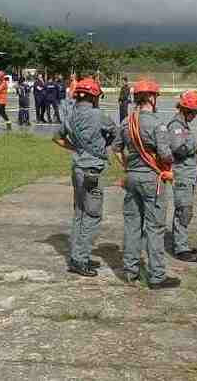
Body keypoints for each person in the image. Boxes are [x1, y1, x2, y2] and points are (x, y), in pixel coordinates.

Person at [116, 79, 180, 288]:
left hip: (132, 178)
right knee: (154, 227)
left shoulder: (127, 122)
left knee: (132, 224)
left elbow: (116, 148)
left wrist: (128, 166)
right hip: (152, 180)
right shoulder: (157, 123)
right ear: (152, 98)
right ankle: (157, 276)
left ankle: (130, 271)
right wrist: (171, 159)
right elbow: (165, 154)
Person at [54, 77, 117, 276]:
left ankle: (77, 255)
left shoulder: (70, 115)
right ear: (93, 97)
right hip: (93, 170)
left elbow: (57, 137)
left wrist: (76, 148)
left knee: (80, 212)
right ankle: (80, 259)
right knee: (92, 215)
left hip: (78, 167)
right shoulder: (99, 115)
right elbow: (114, 134)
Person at [168, 90, 197, 261]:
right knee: (183, 210)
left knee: (186, 210)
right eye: (194, 113)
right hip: (182, 174)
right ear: (186, 110)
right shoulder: (176, 126)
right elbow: (179, 149)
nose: (195, 116)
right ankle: (180, 247)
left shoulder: (183, 125)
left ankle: (181, 243)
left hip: (188, 174)